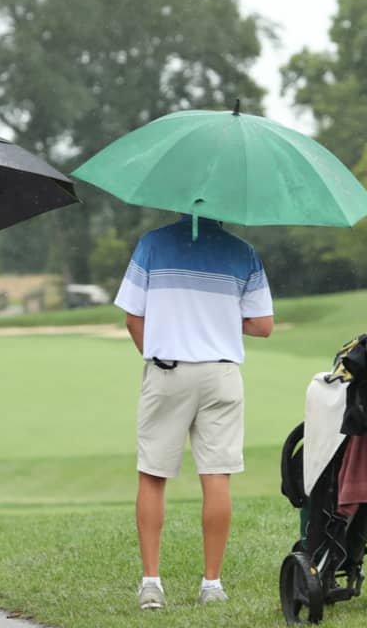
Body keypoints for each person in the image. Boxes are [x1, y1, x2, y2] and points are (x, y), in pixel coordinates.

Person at [114, 214, 274, 610]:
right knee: (216, 476)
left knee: (153, 474)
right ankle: (212, 585)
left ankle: (151, 584)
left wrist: (160, 351)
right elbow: (263, 325)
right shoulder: (243, 252)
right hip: (221, 373)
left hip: (168, 370)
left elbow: (133, 317)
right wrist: (217, 317)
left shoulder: (152, 243)